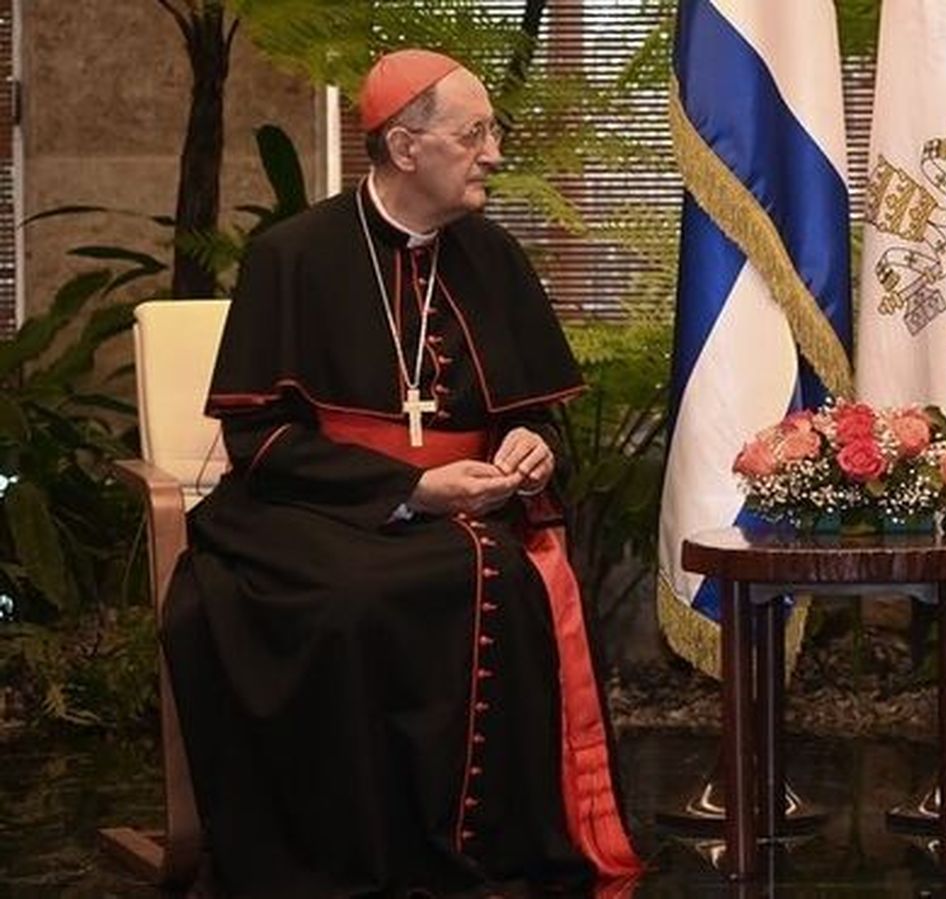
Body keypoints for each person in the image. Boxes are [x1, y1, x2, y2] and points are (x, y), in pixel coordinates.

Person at [161, 49, 643, 897]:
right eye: (475, 133)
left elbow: (534, 411)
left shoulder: (492, 257)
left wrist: (530, 445)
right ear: (406, 147)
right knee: (355, 598)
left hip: (469, 510)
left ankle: (483, 848)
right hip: (312, 509)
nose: (494, 152)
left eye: (493, 130)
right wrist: (408, 490)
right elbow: (260, 441)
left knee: (489, 568)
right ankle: (357, 855)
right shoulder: (292, 255)